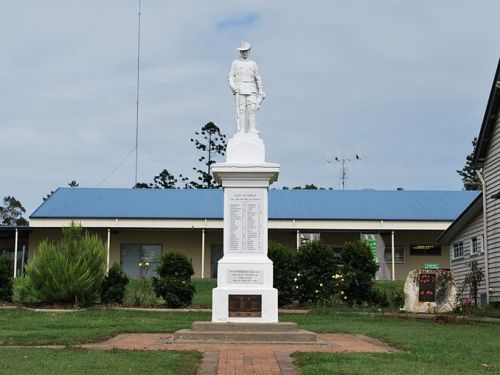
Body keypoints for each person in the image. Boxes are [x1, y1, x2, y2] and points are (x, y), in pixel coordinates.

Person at [228, 42, 266, 133]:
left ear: (249, 51)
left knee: (252, 108)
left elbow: (258, 78)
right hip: (240, 88)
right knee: (241, 110)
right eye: (242, 51)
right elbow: (231, 76)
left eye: (246, 51)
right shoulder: (235, 63)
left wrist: (260, 91)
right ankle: (241, 129)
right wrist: (233, 87)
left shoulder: (253, 64)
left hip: (251, 88)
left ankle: (251, 128)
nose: (244, 53)